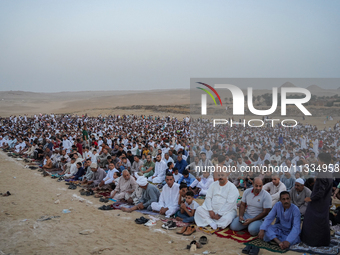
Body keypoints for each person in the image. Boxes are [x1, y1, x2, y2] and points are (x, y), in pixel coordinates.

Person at [194, 155, 239, 230]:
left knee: (227, 218)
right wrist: (210, 211)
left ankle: (209, 221)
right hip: (212, 211)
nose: (220, 177)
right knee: (199, 210)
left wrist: (219, 214)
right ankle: (212, 222)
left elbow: (230, 203)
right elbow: (208, 198)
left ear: (226, 175)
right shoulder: (213, 185)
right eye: (219, 175)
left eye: (222, 175)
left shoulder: (232, 187)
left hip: (225, 212)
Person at [301, 153, 333, 247]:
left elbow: (320, 192)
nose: (318, 162)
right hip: (324, 203)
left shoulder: (322, 174)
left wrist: (310, 198)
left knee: (311, 221)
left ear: (322, 162)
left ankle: (312, 242)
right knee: (322, 222)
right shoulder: (327, 171)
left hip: (317, 204)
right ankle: (323, 241)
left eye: (319, 160)